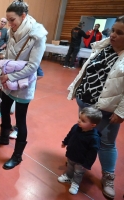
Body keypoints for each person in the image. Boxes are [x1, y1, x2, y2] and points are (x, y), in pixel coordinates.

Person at [67, 15, 124, 199]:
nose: (113, 35)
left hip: (106, 109)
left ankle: (108, 176)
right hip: (85, 101)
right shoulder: (103, 46)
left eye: (119, 32)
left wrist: (121, 111)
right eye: (113, 30)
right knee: (84, 134)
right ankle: (77, 166)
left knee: (106, 143)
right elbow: (86, 70)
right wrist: (76, 88)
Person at [0, 0, 47, 170]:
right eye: (7, 20)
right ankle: (4, 137)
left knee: (20, 119)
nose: (9, 23)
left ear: (23, 16)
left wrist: (10, 76)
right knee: (4, 110)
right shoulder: (12, 30)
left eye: (12, 19)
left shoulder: (37, 35)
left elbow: (33, 66)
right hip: (8, 78)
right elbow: (9, 53)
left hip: (23, 82)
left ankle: (18, 155)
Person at [57, 107, 102, 195]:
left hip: (81, 160)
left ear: (93, 125)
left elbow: (92, 153)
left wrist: (87, 164)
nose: (79, 121)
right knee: (69, 167)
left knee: (78, 172)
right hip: (71, 155)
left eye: (83, 121)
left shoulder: (94, 138)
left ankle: (75, 183)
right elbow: (70, 135)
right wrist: (65, 142)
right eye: (79, 118)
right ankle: (68, 176)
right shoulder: (75, 127)